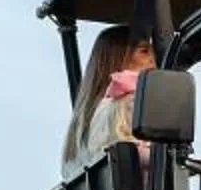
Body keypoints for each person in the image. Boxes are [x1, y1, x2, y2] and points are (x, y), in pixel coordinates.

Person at [62, 26, 154, 174]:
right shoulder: (130, 101)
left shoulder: (88, 117)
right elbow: (128, 155)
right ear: (118, 58)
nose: (154, 59)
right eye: (144, 51)